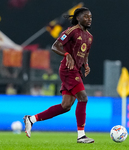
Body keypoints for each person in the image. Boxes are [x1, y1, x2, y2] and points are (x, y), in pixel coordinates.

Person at [23, 7, 94, 143]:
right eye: (86, 17)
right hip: (68, 69)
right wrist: (66, 54)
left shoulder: (90, 37)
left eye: (90, 17)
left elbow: (86, 53)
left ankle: (31, 119)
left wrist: (86, 64)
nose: (89, 19)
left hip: (77, 70)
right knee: (83, 98)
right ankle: (81, 135)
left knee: (66, 106)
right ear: (78, 18)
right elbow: (55, 46)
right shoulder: (71, 31)